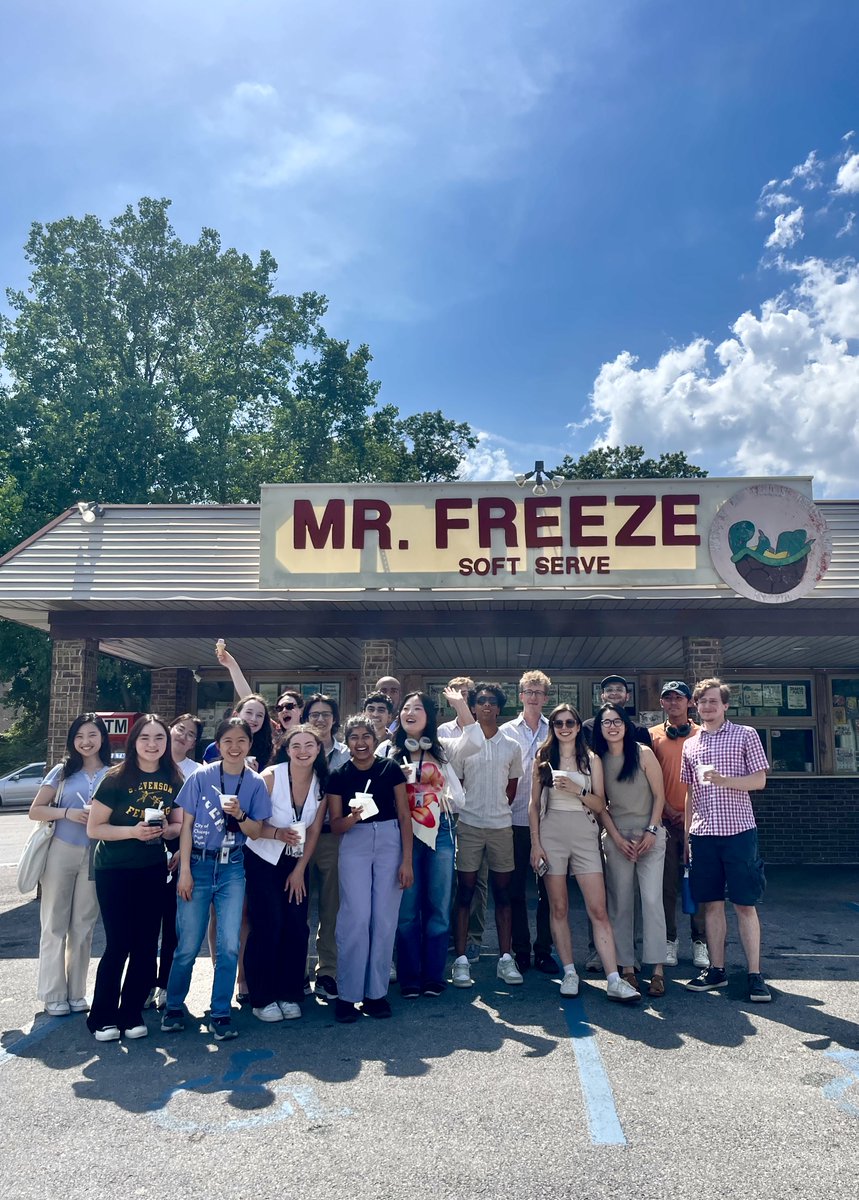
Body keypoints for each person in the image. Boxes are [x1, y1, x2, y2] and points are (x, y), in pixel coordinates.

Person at [160, 718, 270, 1040]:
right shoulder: (201, 776)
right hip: (199, 863)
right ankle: (174, 1006)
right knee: (188, 944)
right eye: (227, 741)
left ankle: (220, 1012)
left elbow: (256, 832)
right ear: (218, 745)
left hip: (233, 866)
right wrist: (185, 872)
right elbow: (187, 826)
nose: (234, 747)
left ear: (249, 744)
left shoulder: (255, 783)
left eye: (241, 741)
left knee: (229, 945)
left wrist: (240, 815)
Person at [528, 705, 640, 1003]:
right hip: (551, 833)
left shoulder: (591, 759)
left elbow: (601, 804)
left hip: (584, 833)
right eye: (558, 722)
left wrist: (577, 791)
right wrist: (535, 843)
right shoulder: (542, 757)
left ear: (579, 727)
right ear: (552, 727)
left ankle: (613, 978)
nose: (564, 727)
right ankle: (569, 972)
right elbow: (533, 806)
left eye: (570, 722)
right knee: (559, 907)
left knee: (598, 909)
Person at [85, 715, 184, 1041]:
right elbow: (94, 828)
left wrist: (167, 830)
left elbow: (179, 824)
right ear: (133, 741)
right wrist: (133, 831)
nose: (152, 744)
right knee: (118, 943)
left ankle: (130, 1014)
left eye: (159, 738)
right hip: (114, 869)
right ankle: (102, 1016)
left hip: (152, 869)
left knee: (145, 944)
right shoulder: (115, 778)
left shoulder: (173, 777)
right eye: (145, 738)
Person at [382, 688, 481, 997]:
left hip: (440, 831)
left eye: (418, 709)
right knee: (407, 909)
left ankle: (434, 975)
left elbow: (475, 740)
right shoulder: (387, 750)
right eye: (406, 708)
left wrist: (460, 704)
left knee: (438, 907)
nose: (410, 713)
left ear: (429, 718)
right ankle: (410, 976)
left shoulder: (443, 749)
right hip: (401, 835)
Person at [681, 678, 771, 1002]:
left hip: (739, 832)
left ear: (725, 705)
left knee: (745, 905)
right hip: (703, 835)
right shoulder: (690, 744)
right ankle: (716, 970)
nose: (707, 706)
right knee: (712, 905)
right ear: (696, 705)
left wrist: (724, 780)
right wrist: (687, 835)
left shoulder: (745, 735)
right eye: (702, 701)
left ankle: (754, 974)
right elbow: (690, 792)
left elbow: (759, 781)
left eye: (713, 701)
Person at [327, 715, 413, 1022]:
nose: (360, 743)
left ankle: (376, 994)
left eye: (366, 736)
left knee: (384, 919)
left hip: (390, 840)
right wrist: (353, 817)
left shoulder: (389, 769)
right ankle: (348, 995)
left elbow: (405, 816)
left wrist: (406, 860)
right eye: (354, 737)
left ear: (375, 741)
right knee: (356, 917)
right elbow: (336, 826)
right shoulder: (338, 774)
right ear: (346, 741)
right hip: (354, 842)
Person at [243, 724, 329, 1022]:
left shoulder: (321, 783)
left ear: (319, 749)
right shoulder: (270, 777)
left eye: (309, 745)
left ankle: (289, 992)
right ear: (286, 749)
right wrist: (277, 833)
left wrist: (300, 870)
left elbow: (315, 829)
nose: (303, 751)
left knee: (296, 926)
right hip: (263, 858)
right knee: (268, 925)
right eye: (296, 746)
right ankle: (261, 998)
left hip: (296, 862)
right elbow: (250, 827)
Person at [29, 714, 113, 1016]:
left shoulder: (113, 773)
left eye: (92, 734)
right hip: (61, 851)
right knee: (54, 923)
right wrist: (67, 813)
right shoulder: (62, 771)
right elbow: (35, 811)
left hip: (96, 853)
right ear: (72, 740)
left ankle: (77, 992)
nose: (86, 741)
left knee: (84, 924)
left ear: (103, 737)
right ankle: (53, 994)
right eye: (79, 736)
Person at [451, 683, 524, 989]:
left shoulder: (511, 744)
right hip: (468, 825)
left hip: (500, 827)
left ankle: (505, 959)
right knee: (465, 893)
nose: (484, 706)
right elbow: (458, 782)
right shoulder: (465, 744)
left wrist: (496, 808)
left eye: (490, 702)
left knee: (503, 894)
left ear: (499, 708)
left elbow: (512, 786)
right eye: (479, 701)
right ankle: (461, 960)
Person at [594, 702, 668, 998]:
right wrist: (615, 837)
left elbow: (660, 796)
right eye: (606, 722)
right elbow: (600, 806)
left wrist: (651, 831)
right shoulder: (597, 759)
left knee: (651, 900)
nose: (612, 726)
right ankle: (626, 967)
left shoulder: (643, 753)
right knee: (620, 903)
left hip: (650, 833)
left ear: (626, 724)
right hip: (617, 837)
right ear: (599, 728)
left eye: (617, 721)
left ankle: (657, 968)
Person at [145, 713, 203, 1011]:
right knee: (144, 924)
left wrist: (182, 848)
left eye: (191, 734)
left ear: (195, 743)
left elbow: (199, 821)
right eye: (180, 729)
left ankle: (166, 986)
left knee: (173, 924)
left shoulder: (196, 772)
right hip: (142, 850)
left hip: (179, 850)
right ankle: (141, 984)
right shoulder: (148, 763)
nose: (183, 736)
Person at [649, 682, 709, 971]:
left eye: (678, 698)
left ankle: (700, 942)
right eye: (667, 698)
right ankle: (669, 940)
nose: (673, 703)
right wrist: (668, 810)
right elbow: (648, 780)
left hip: (699, 821)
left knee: (698, 884)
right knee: (667, 885)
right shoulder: (652, 737)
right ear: (662, 703)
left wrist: (690, 812)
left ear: (689, 703)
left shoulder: (703, 735)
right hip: (665, 821)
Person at [504, 670, 558, 976]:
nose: (534, 697)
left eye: (539, 692)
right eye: (529, 691)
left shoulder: (557, 730)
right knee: (515, 890)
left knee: (547, 889)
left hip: (547, 820)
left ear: (546, 698)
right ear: (520, 695)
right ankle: (520, 949)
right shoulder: (505, 731)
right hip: (512, 820)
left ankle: (543, 950)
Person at [303, 693, 350, 1001]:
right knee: (298, 906)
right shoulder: (297, 746)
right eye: (315, 714)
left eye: (326, 714)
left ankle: (327, 972)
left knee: (331, 907)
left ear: (335, 719)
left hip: (334, 837)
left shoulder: (347, 753)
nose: (320, 719)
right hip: (300, 836)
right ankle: (296, 971)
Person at [203, 692, 273, 773]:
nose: (254, 719)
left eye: (259, 715)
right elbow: (206, 780)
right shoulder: (215, 748)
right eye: (249, 713)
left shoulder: (269, 750)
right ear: (236, 715)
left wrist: (255, 776)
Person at [583, 676, 653, 749]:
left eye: (619, 689)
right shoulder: (588, 727)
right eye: (609, 690)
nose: (614, 693)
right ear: (602, 696)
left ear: (627, 696)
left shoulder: (639, 730)